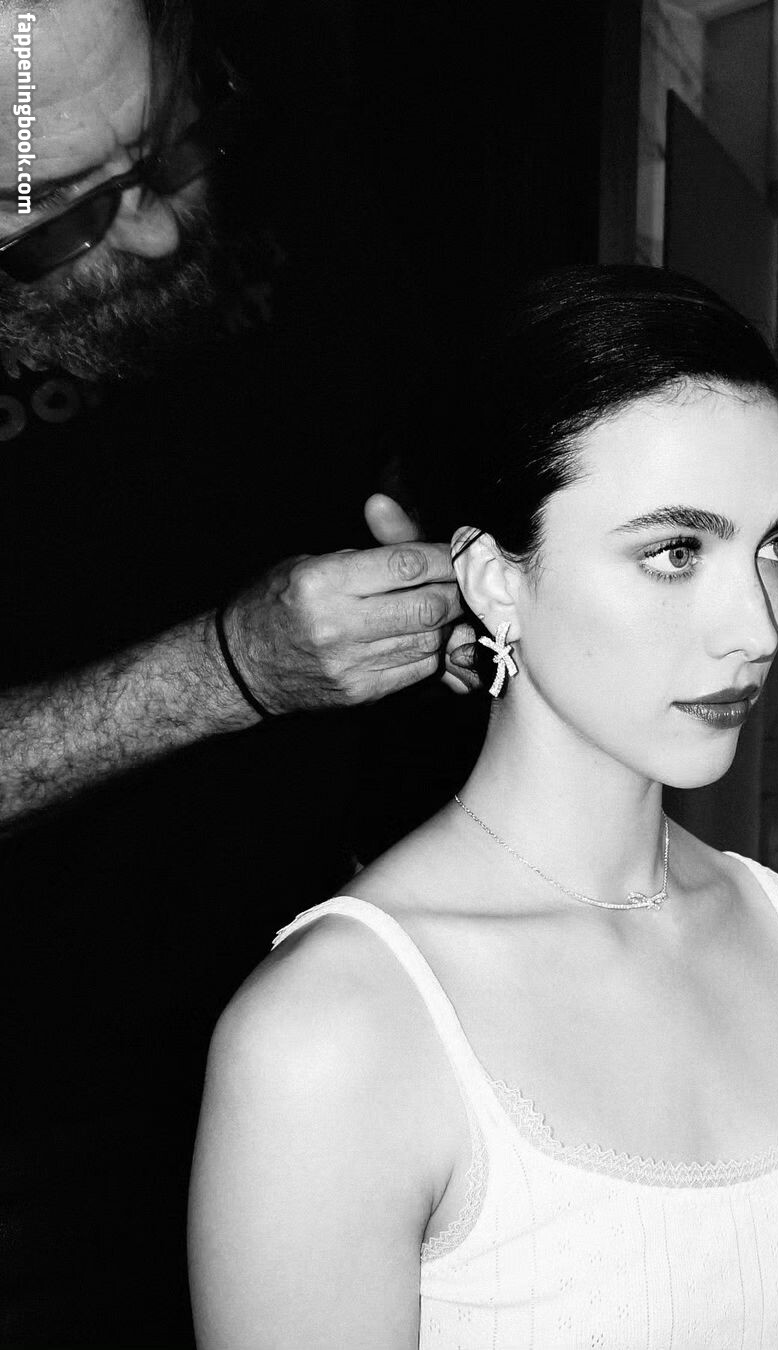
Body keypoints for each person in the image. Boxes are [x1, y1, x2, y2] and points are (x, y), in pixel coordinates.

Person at [189, 265, 778, 1349]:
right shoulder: (332, 1035)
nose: (756, 626)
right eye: (674, 552)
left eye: (777, 546)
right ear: (494, 579)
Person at [0, 0, 478, 1343]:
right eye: (61, 217)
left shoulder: (295, 123)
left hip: (330, 978)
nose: (160, 230)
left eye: (167, 149)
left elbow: (397, 413)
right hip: (44, 1125)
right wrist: (228, 670)